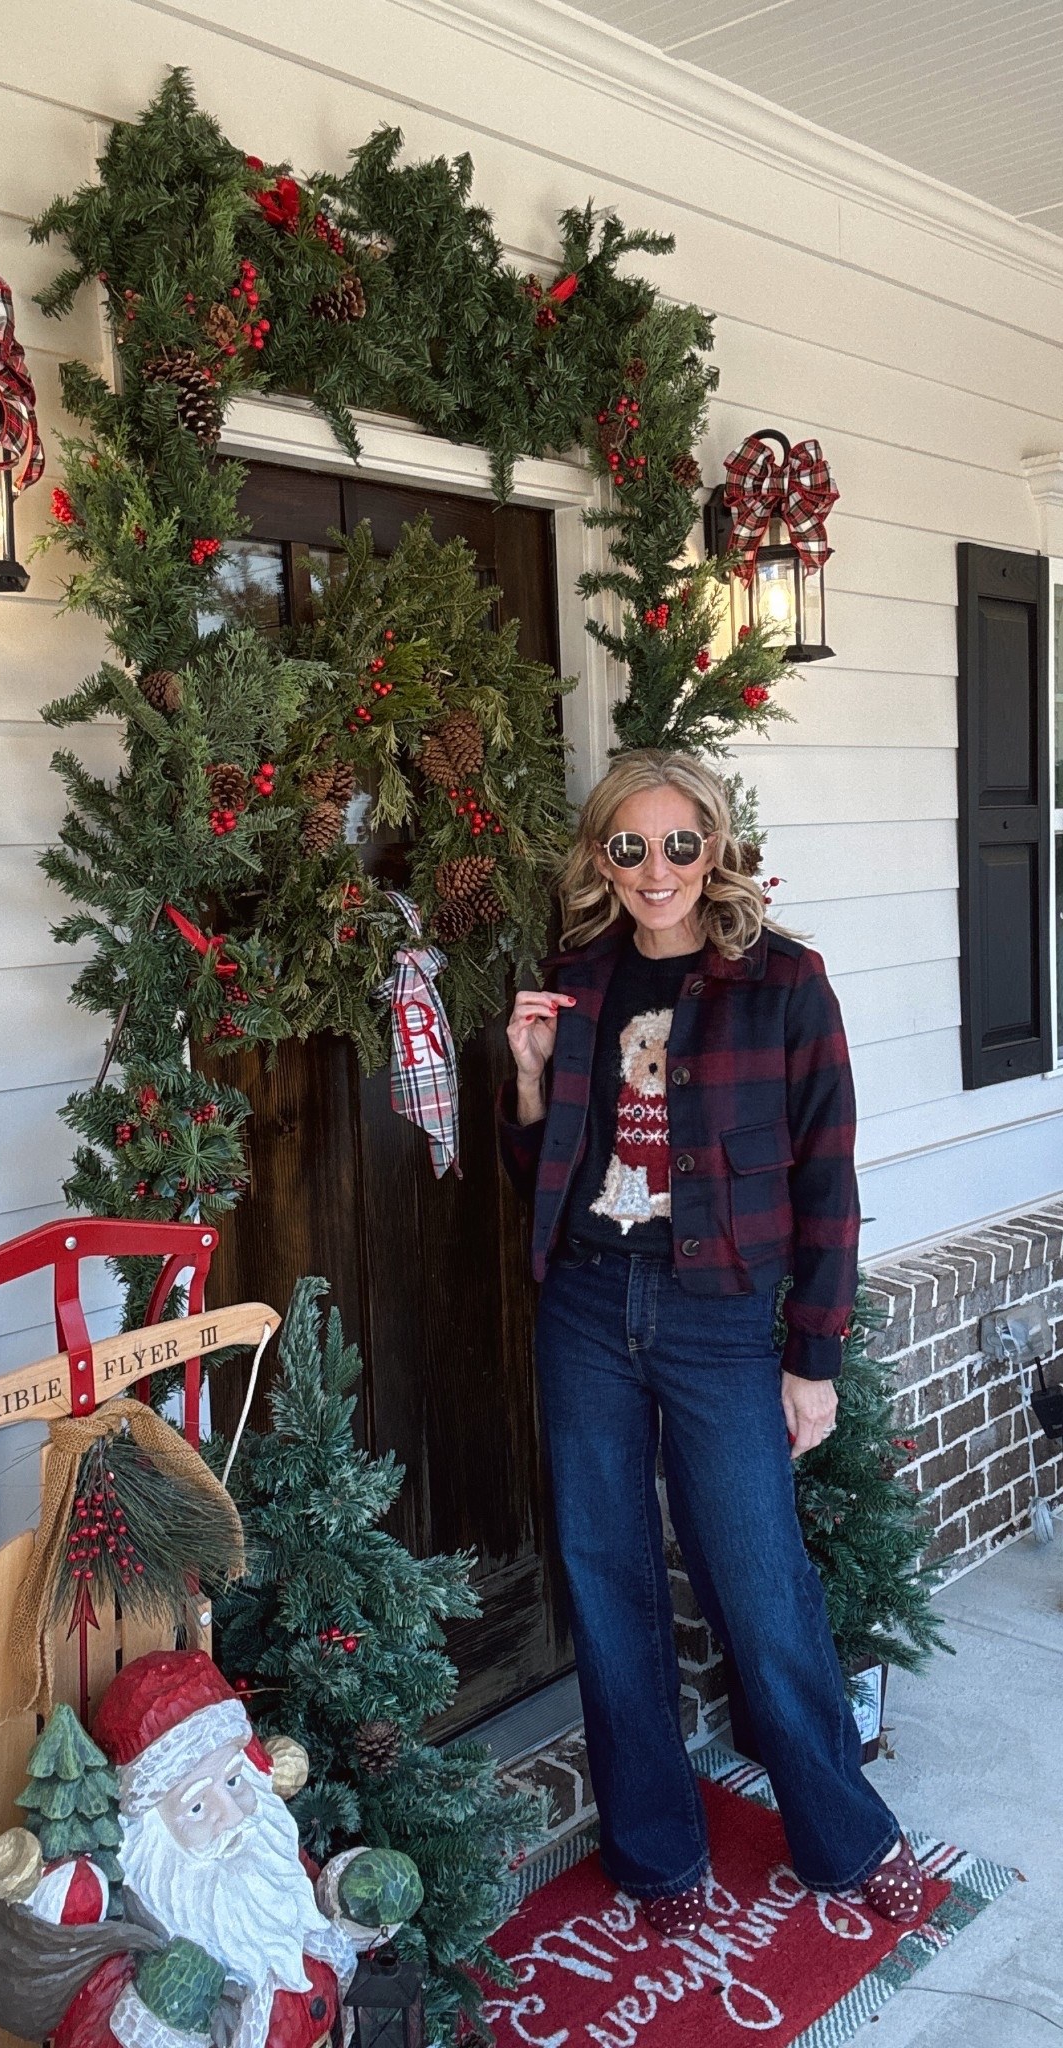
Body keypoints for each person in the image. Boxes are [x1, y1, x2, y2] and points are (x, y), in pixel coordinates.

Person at [498, 748, 925, 1939]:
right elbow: (545, 1182)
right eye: (630, 846)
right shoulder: (578, 981)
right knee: (606, 1573)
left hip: (720, 1317)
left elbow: (828, 1182)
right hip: (588, 1306)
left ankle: (847, 1830)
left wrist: (814, 1357)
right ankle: (656, 1850)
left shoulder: (783, 983)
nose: (657, 870)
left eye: (679, 844)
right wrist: (529, 1082)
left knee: (758, 1573)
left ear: (715, 847)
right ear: (601, 856)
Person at [0, 1651, 420, 2048]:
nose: (233, 1814)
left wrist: (352, 1902)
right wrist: (157, 2019)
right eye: (197, 1806)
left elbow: (314, 1919)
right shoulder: (136, 1935)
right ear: (152, 1836)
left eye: (234, 1780)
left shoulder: (263, 1861)